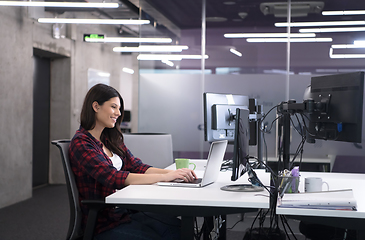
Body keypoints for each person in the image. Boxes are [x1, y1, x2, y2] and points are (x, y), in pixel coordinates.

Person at [69, 83, 197, 240]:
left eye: (119, 108)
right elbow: (113, 178)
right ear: (96, 106)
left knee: (179, 229)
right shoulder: (82, 143)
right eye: (113, 107)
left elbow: (137, 166)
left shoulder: (110, 139)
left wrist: (175, 174)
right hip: (104, 223)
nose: (118, 113)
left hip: (126, 212)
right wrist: (165, 177)